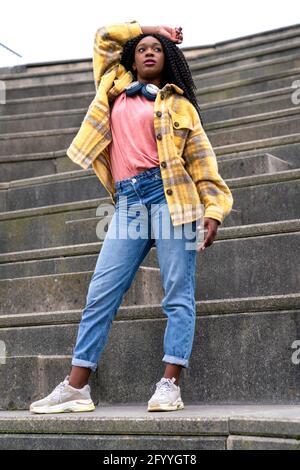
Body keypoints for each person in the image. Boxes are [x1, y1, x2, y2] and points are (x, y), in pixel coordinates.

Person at [30, 21, 233, 414]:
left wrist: (214, 211)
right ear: (132, 59)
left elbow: (203, 164)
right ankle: (76, 388)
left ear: (168, 59)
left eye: (157, 48)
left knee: (178, 294)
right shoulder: (112, 85)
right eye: (142, 48)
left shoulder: (181, 106)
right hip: (129, 203)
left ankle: (169, 384)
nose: (149, 51)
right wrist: (151, 28)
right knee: (100, 294)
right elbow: (104, 37)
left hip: (174, 199)